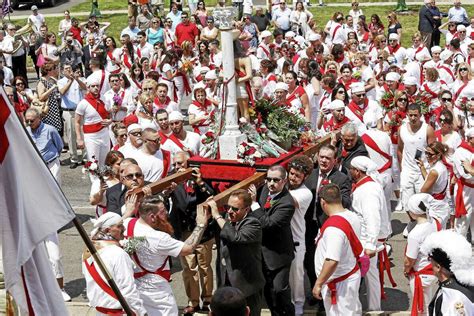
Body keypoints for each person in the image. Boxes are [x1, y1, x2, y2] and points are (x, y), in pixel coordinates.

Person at [123, 196, 210, 315]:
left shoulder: (127, 223)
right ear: (152, 217)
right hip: (157, 295)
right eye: (163, 212)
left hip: (134, 289)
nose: (166, 215)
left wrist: (128, 212)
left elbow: (113, 225)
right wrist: (201, 224)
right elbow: (188, 248)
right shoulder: (158, 238)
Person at [169, 152, 215, 315]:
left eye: (180, 164)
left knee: (204, 266)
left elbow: (212, 196)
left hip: (204, 231)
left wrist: (200, 181)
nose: (177, 168)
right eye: (175, 164)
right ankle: (193, 301)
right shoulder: (172, 179)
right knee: (189, 268)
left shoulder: (201, 177)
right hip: (185, 231)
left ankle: (208, 298)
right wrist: (168, 191)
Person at [304, 144, 352, 296]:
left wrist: (330, 194)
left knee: (326, 262)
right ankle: (315, 290)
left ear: (335, 161)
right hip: (309, 226)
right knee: (310, 262)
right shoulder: (310, 175)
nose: (324, 160)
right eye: (321, 157)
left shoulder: (341, 178)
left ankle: (325, 294)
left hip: (328, 226)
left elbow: (346, 202)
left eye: (328, 158)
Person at [208, 189, 265, 316]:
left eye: (235, 209)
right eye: (228, 207)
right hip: (226, 282)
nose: (229, 212)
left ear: (246, 209)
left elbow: (235, 237)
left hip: (246, 287)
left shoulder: (253, 223)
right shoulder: (226, 220)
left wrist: (217, 215)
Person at [312, 183, 363, 315]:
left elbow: (332, 260)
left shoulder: (334, 230)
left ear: (323, 202)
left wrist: (318, 283)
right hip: (348, 276)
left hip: (340, 284)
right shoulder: (352, 216)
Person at [251, 164, 295, 315]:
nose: (271, 183)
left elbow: (268, 224)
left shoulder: (287, 203)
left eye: (276, 180)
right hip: (262, 252)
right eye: (268, 179)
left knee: (279, 291)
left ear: (284, 181)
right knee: (268, 292)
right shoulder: (265, 190)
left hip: (279, 255)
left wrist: (253, 204)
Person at [83, 212, 147, 315]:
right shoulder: (118, 254)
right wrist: (141, 312)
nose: (124, 229)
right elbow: (128, 289)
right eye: (120, 226)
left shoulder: (89, 250)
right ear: (108, 230)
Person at [349, 156, 391, 311]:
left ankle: (373, 309)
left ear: (358, 172)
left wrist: (370, 244)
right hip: (366, 238)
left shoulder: (368, 190)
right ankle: (374, 308)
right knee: (370, 275)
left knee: (368, 275)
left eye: (352, 169)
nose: (350, 171)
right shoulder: (367, 186)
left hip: (367, 240)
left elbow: (372, 218)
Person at [421, 230, 474, 315]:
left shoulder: (454, 300)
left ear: (438, 267)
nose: (429, 264)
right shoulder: (452, 285)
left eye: (430, 260)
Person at [286, 156, 313, 316]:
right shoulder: (285, 186)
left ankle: (298, 303)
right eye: (291, 173)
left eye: (297, 175)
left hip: (296, 239)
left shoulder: (305, 193)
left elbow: (287, 201)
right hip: (281, 239)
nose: (293, 178)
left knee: (296, 274)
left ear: (305, 177)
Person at [404, 194, 439, 316]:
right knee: (428, 304)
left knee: (422, 310)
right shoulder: (434, 222)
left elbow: (409, 260)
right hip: (433, 270)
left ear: (413, 213)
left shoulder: (415, 234)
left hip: (421, 274)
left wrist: (406, 270)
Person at [398, 103, 436, 213]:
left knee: (422, 203)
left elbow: (433, 151)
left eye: (415, 115)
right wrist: (402, 168)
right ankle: (412, 225)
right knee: (407, 203)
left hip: (422, 172)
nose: (413, 118)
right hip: (407, 172)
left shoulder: (427, 129)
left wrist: (428, 169)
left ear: (420, 115)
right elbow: (400, 149)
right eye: (410, 115)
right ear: (407, 115)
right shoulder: (402, 129)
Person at [75, 75, 112, 167]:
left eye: (97, 86)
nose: (96, 88)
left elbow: (109, 114)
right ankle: (95, 181)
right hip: (91, 137)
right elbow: (77, 122)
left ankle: (104, 180)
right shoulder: (83, 103)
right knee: (93, 163)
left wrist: (110, 121)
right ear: (88, 87)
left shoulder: (104, 98)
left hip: (104, 134)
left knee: (105, 161)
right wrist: (79, 138)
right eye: (93, 86)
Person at [58, 63, 87, 169]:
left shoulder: (79, 79)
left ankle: (85, 157)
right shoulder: (60, 82)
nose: (69, 70)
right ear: (62, 71)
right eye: (66, 69)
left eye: (70, 68)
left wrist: (77, 79)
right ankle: (74, 158)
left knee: (83, 133)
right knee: (71, 136)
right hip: (68, 111)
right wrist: (70, 80)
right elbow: (62, 92)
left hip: (79, 111)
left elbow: (85, 88)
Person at [417, 141, 450, 229]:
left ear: (438, 155)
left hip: (435, 207)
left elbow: (423, 190)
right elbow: (429, 180)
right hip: (441, 204)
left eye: (430, 154)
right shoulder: (441, 166)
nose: (427, 156)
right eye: (426, 153)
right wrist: (422, 167)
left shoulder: (434, 171)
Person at [25, 107, 63, 183]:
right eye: (27, 121)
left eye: (32, 121)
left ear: (39, 119)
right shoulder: (26, 131)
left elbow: (60, 146)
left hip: (51, 164)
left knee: (54, 188)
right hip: (35, 165)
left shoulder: (50, 129)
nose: (29, 123)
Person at [452, 127, 474, 241]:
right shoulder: (461, 152)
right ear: (470, 138)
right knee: (464, 220)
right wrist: (470, 170)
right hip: (466, 189)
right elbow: (467, 175)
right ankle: (460, 244)